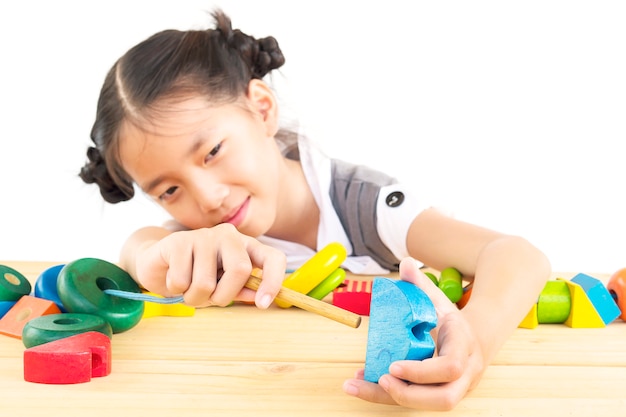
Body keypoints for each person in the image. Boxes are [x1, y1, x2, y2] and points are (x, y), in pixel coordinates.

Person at [78, 9, 551, 411]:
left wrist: (476, 341)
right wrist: (158, 252)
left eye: (213, 151)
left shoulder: (365, 206)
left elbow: (515, 255)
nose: (206, 198)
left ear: (261, 109)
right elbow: (141, 250)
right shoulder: (198, 239)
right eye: (168, 190)